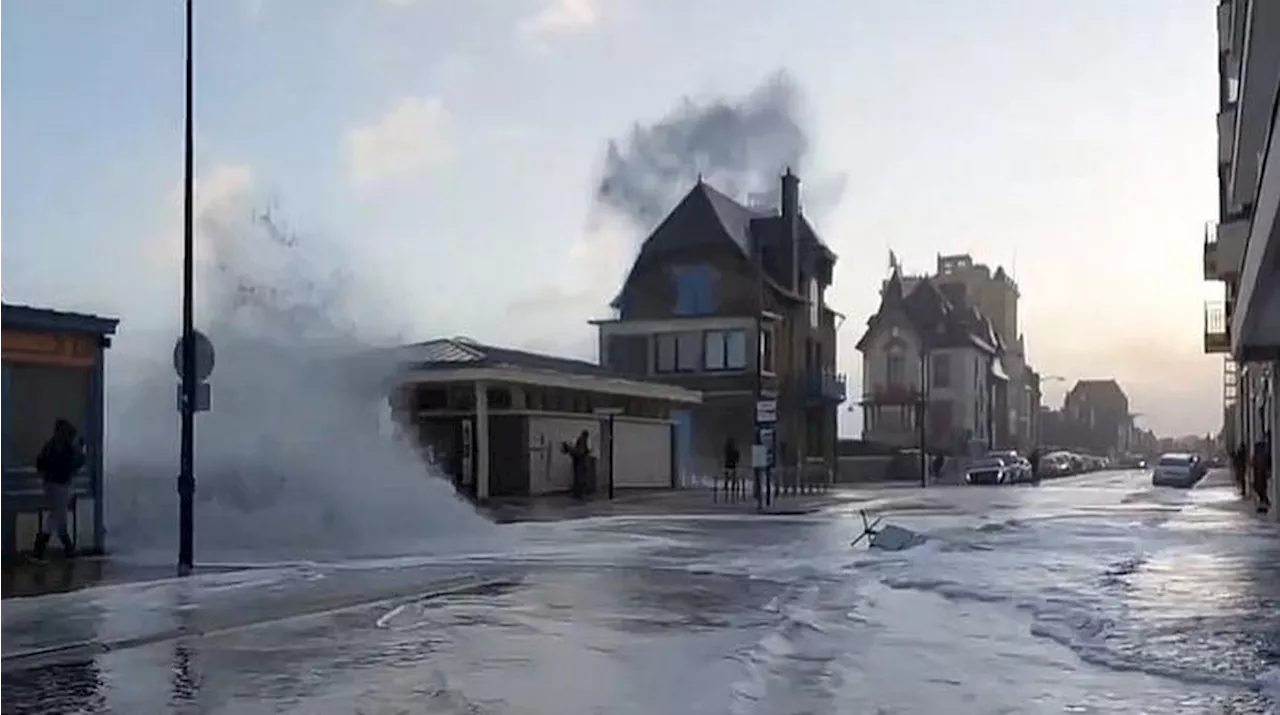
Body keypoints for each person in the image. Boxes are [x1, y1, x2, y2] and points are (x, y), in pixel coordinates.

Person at [32, 419, 86, 560]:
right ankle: (39, 550)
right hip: (61, 485)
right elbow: (77, 463)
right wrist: (80, 449)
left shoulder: (50, 445)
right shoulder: (67, 447)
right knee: (56, 517)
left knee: (59, 517)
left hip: (50, 484)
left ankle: (68, 549)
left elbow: (40, 463)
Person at [564, 430, 592, 500]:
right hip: (581, 462)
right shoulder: (583, 441)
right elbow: (581, 451)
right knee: (581, 478)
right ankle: (580, 493)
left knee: (580, 478)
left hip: (580, 462)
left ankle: (579, 493)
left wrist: (569, 448)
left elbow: (580, 452)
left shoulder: (581, 440)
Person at [1252, 438, 1272, 514]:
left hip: (1260, 476)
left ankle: (1263, 506)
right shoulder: (1259, 455)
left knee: (1261, 491)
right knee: (1261, 491)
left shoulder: (1260, 455)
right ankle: (1263, 505)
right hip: (1259, 476)